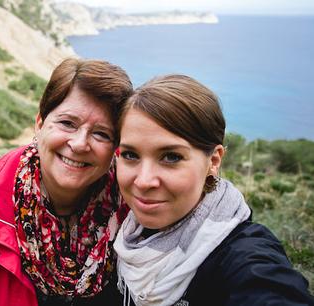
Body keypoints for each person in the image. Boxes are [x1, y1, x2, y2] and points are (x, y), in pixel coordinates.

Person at [0, 58, 133, 306]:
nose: (79, 144)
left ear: (115, 148)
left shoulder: (133, 203)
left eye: (101, 134)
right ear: (40, 124)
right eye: (67, 123)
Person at [113, 75, 314, 306]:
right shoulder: (121, 228)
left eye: (171, 157)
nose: (143, 181)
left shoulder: (241, 253)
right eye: (130, 155)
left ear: (214, 161)